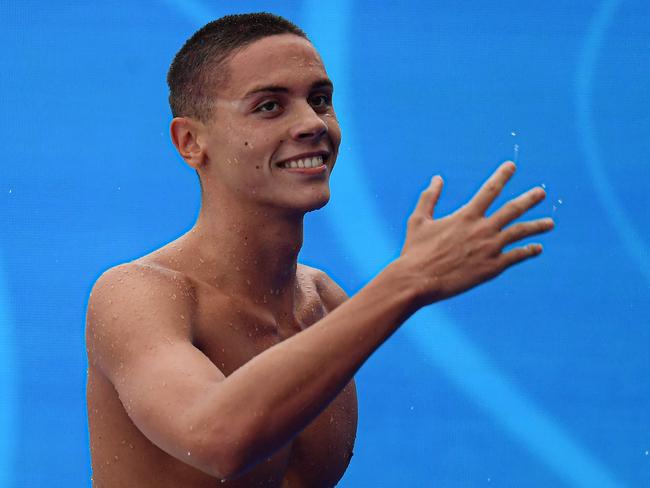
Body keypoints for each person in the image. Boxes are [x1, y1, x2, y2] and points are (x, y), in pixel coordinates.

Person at [85, 12, 554, 488]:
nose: (312, 123)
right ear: (190, 141)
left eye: (320, 100)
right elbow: (216, 439)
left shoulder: (324, 305)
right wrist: (407, 280)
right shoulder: (137, 294)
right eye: (269, 106)